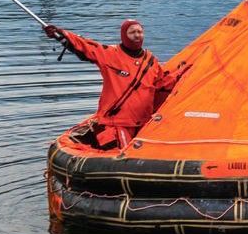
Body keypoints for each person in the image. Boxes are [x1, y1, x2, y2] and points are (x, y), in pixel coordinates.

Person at [42, 18, 188, 150]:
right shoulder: (110, 54)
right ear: (124, 35)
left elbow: (162, 83)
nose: (137, 35)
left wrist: (184, 72)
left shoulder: (150, 61)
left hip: (143, 123)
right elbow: (86, 46)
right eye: (132, 32)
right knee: (123, 155)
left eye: (140, 32)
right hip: (116, 124)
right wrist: (61, 34)